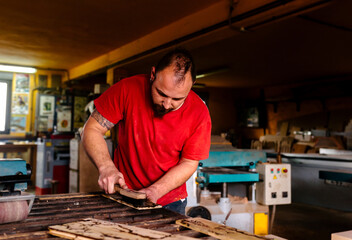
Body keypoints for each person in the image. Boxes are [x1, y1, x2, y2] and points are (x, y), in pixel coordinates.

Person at [81, 48, 211, 214]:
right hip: (123, 194)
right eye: (161, 93)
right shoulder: (127, 89)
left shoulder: (200, 113)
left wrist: (156, 190)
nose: (166, 104)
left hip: (169, 201)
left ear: (192, 85)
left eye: (177, 99)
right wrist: (106, 167)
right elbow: (92, 129)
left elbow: (189, 162)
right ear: (153, 74)